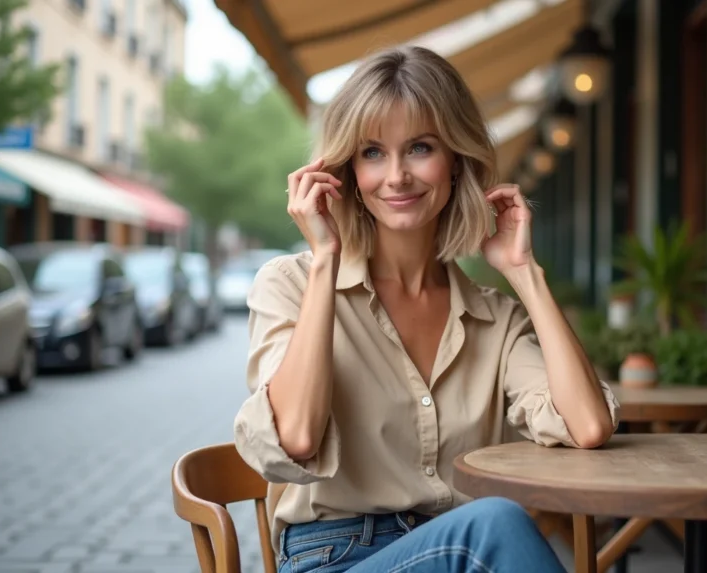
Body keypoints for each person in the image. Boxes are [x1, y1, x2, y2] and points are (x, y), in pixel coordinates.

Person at [234, 45, 620, 573]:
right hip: (336, 556)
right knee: (495, 526)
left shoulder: (496, 320)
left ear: (457, 160)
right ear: (344, 171)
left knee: (488, 530)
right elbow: (296, 437)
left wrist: (526, 275)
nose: (396, 177)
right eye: (372, 152)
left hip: (463, 551)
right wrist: (327, 260)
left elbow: (588, 427)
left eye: (419, 148)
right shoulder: (291, 285)